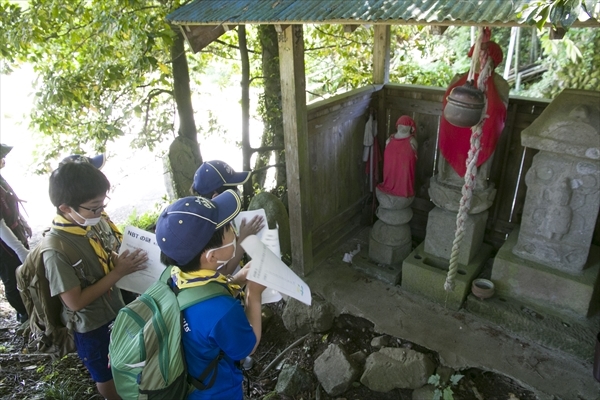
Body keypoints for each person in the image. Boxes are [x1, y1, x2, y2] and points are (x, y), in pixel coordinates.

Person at [46, 161, 148, 400]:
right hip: (92, 326)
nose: (100, 212)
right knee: (105, 373)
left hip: (116, 310)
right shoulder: (57, 250)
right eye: (94, 208)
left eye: (103, 204)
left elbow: (103, 254)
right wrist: (117, 273)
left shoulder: (89, 223)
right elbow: (75, 302)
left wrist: (116, 260)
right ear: (65, 208)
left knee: (126, 360)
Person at [156, 190, 266, 400]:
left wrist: (239, 279)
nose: (235, 232)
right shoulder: (222, 311)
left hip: (187, 383)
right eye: (229, 229)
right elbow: (247, 348)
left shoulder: (170, 275)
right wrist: (254, 293)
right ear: (212, 256)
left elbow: (199, 296)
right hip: (217, 392)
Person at [191, 160, 264, 277]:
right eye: (234, 189)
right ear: (217, 196)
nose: (238, 192)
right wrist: (243, 240)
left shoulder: (219, 216)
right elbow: (223, 272)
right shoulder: (208, 229)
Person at [0, 143, 31, 323]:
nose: (3, 159)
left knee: (25, 272)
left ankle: (33, 307)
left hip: (14, 230)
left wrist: (23, 223)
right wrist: (19, 250)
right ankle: (24, 314)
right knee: (12, 278)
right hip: (4, 244)